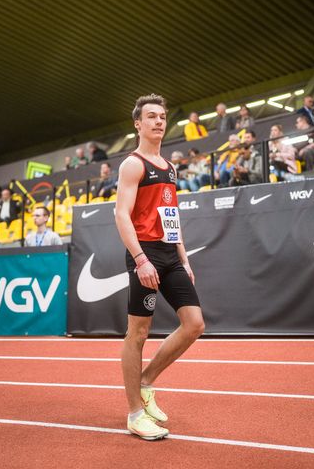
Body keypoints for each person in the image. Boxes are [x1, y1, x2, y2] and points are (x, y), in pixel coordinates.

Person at [115, 93, 204, 441]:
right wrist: (140, 259)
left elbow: (170, 215)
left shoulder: (169, 167)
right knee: (137, 333)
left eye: (163, 116)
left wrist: (183, 256)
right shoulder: (133, 164)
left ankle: (146, 382)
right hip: (145, 253)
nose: (158, 122)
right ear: (138, 124)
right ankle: (135, 413)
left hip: (170, 254)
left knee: (194, 323)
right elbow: (121, 215)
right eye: (151, 116)